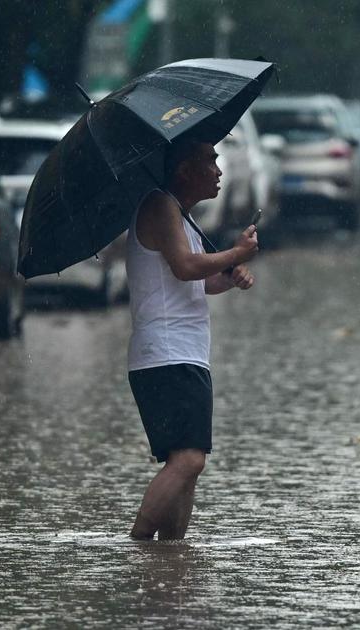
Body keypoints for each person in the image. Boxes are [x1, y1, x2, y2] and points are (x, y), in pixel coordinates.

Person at [125, 138, 258, 541]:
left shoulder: (180, 215)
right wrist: (234, 254)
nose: (219, 171)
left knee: (187, 467)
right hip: (167, 354)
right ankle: (138, 545)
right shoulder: (160, 205)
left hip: (184, 353)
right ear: (184, 169)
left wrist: (227, 277)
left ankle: (169, 560)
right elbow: (185, 267)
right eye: (210, 161)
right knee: (188, 461)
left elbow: (194, 283)